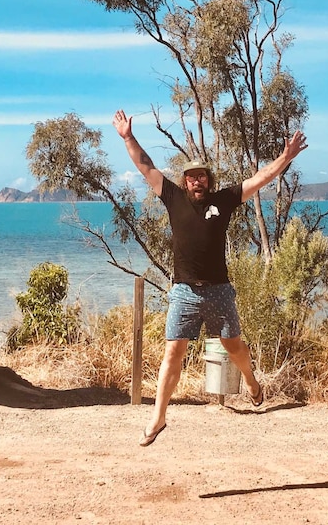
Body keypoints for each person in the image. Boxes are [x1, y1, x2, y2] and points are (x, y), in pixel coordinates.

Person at [112, 109, 308, 446]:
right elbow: (145, 166)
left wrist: (286, 156)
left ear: (209, 180)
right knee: (173, 352)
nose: (196, 181)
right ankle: (158, 417)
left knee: (235, 348)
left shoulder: (225, 200)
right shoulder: (173, 198)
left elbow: (261, 178)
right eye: (191, 177)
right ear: (185, 181)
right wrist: (128, 137)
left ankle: (250, 380)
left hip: (218, 291)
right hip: (184, 292)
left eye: (202, 176)